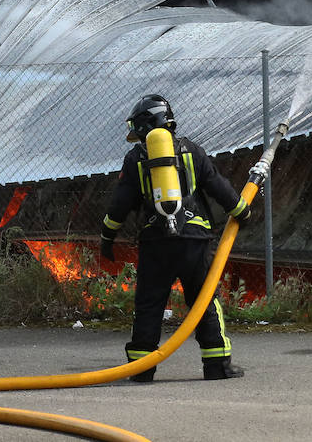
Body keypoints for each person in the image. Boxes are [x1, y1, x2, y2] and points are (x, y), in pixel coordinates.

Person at [98, 93, 253, 381]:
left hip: (155, 242)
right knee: (204, 300)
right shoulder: (193, 150)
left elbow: (119, 204)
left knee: (149, 303)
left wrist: (107, 237)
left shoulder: (135, 159)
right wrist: (242, 212)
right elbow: (219, 188)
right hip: (194, 240)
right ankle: (217, 365)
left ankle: (142, 369)